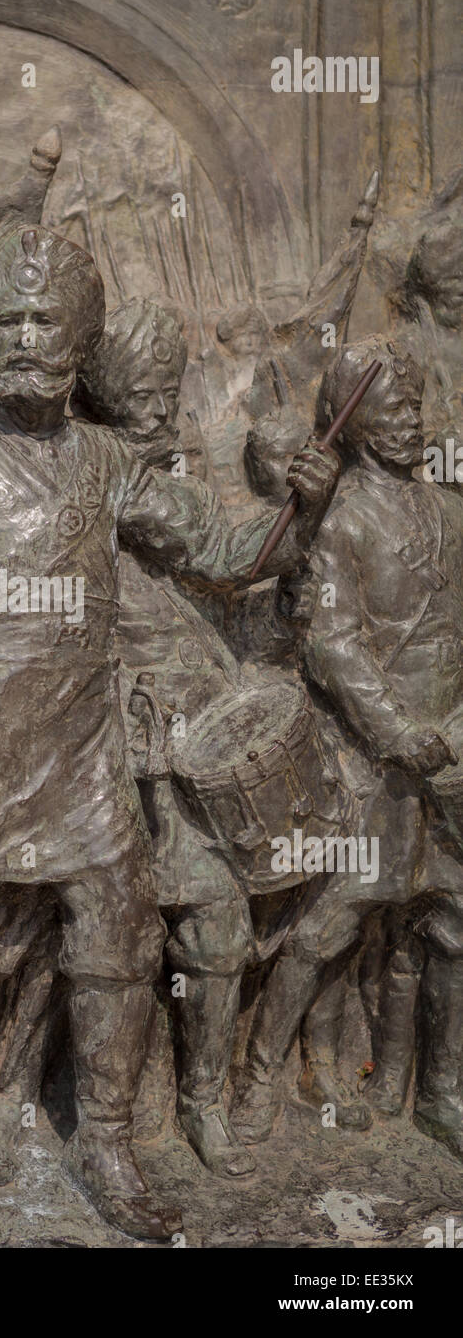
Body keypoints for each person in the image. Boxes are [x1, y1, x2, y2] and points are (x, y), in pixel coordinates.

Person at [0, 224, 340, 1238]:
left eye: (42, 319)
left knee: (115, 944)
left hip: (80, 752)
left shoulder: (108, 462)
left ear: (78, 336)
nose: (20, 338)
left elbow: (225, 553)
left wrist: (299, 515)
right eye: (2, 321)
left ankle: (105, 1143)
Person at [232, 337, 463, 1163]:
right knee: (334, 919)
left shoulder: (449, 507)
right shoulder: (344, 519)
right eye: (393, 407)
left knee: (451, 925)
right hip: (371, 758)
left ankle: (437, 1091)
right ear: (352, 421)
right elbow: (331, 642)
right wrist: (395, 730)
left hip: (448, 759)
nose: (413, 419)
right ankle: (262, 1074)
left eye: (417, 405)